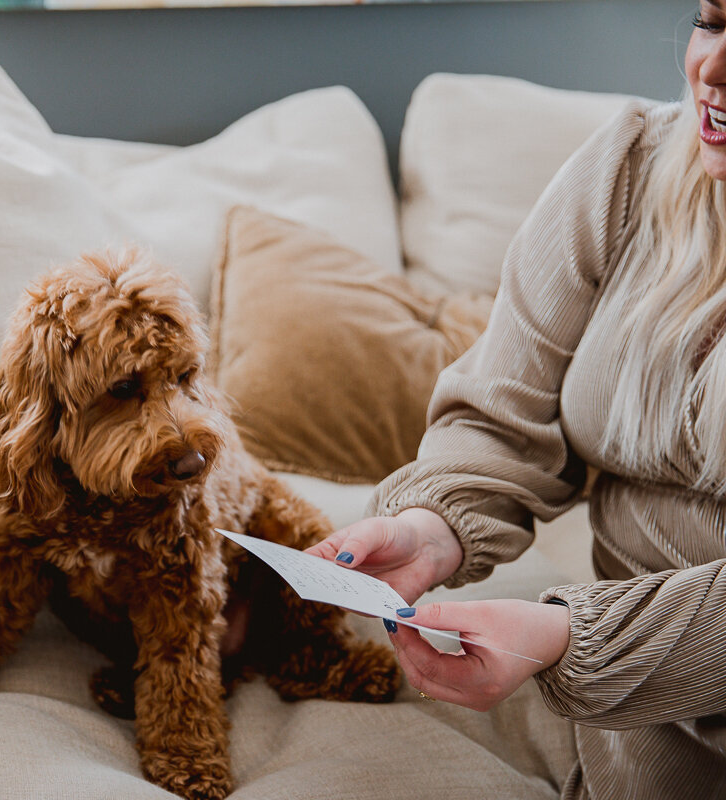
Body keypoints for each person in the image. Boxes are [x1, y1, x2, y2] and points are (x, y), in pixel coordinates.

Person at [306, 4, 726, 798]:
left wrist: (573, 640)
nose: (712, 66)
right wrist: (432, 529)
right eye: (710, 20)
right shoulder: (630, 170)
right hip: (637, 749)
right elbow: (503, 412)